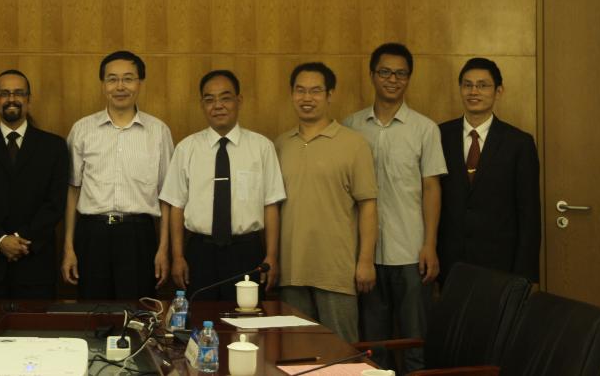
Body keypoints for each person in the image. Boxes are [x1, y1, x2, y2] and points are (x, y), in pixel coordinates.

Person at [344, 43, 446, 372]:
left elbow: (431, 188)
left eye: (401, 73)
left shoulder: (425, 129)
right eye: (385, 72)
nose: (392, 79)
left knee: (416, 343)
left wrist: (430, 244)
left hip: (411, 251)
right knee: (374, 346)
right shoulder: (351, 126)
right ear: (372, 75)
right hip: (366, 255)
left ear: (409, 78)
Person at [275, 62, 378, 343]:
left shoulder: (354, 144)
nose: (307, 98)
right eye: (300, 90)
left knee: (342, 351)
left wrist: (365, 261)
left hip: (337, 272)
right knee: (296, 352)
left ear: (330, 95)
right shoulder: (280, 144)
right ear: (292, 94)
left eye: (315, 91)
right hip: (291, 271)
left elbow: (368, 206)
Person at [161, 70, 284, 300]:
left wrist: (272, 256)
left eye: (225, 98)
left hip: (247, 251)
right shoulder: (187, 148)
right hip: (199, 252)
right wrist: (177, 257)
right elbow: (176, 206)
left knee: (246, 316)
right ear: (202, 104)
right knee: (200, 316)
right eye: (210, 99)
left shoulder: (262, 147)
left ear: (239, 100)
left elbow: (271, 205)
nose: (218, 105)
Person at [62, 50, 174, 299]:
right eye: (112, 79)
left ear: (140, 83)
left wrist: (163, 249)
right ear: (103, 85)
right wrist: (68, 247)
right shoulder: (82, 130)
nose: (120, 86)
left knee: (136, 311)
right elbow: (72, 190)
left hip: (138, 235)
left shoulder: (158, 132)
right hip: (92, 234)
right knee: (92, 311)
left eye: (128, 79)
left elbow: (167, 196)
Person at [0, 69, 69, 299]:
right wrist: (0, 241)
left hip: (36, 267)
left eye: (19, 93)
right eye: (4, 93)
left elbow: (55, 203)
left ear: (28, 99)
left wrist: (20, 240)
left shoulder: (54, 147)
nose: (11, 99)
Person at [437, 58, 540, 283]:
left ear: (498, 91)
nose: (474, 91)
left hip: (501, 262)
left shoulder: (519, 143)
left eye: (482, 85)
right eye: (467, 85)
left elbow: (529, 214)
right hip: (450, 261)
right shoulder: (439, 135)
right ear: (460, 89)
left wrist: (524, 273)